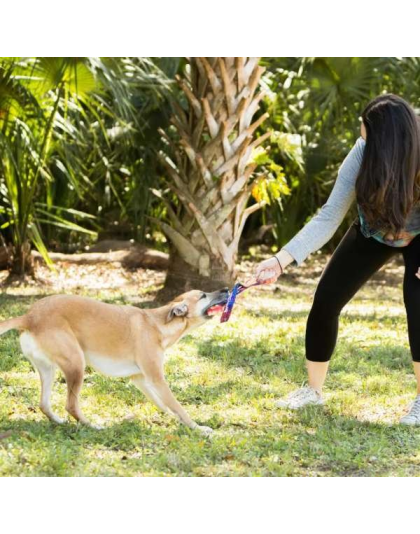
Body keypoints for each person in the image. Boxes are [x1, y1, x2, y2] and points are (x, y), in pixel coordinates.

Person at [254, 94, 420, 424]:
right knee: (327, 298)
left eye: (366, 134)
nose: (361, 139)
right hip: (375, 229)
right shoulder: (361, 153)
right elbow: (329, 216)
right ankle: (313, 393)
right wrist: (281, 259)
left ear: (387, 140)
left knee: (417, 301)